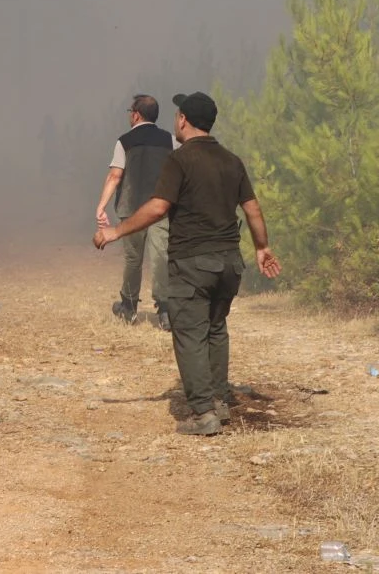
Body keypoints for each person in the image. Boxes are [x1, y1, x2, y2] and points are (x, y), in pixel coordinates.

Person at [92, 92, 281, 436]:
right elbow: (252, 208)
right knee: (216, 328)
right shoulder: (232, 160)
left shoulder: (179, 160)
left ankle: (204, 413)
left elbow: (158, 207)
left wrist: (115, 231)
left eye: (177, 115)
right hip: (229, 263)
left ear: (183, 120)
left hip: (193, 263)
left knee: (190, 333)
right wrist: (262, 247)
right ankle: (220, 400)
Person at [95, 94, 175, 330]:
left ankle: (129, 307)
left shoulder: (124, 141)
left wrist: (101, 206)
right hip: (160, 208)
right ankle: (165, 310)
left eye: (131, 111)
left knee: (133, 259)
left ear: (136, 115)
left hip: (131, 210)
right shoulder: (170, 140)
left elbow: (115, 175)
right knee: (161, 256)